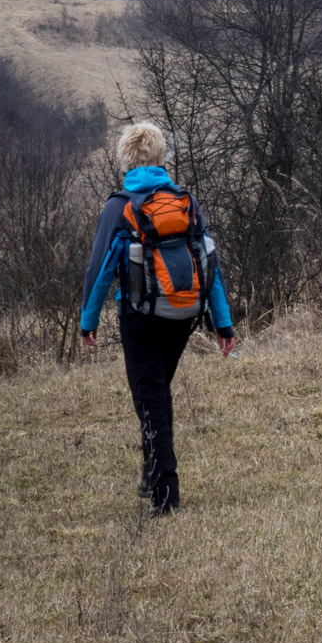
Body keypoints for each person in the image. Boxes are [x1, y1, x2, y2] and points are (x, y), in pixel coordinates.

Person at [81, 121, 235, 515]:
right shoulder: (186, 202)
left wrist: (88, 320)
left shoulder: (119, 206)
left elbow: (99, 272)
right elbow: (210, 266)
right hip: (184, 314)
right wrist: (223, 325)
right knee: (157, 391)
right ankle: (153, 475)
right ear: (161, 158)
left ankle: (165, 495)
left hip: (141, 318)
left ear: (126, 160)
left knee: (150, 399)